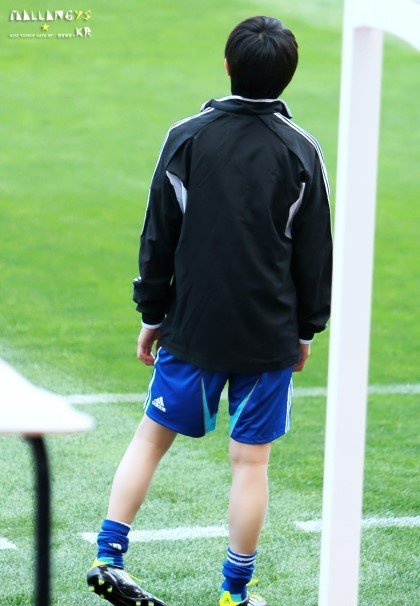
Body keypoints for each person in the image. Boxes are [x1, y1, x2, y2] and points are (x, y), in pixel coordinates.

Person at [87, 15, 332, 606]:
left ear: (227, 65)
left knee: (151, 438)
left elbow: (158, 235)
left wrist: (152, 314)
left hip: (193, 325)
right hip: (267, 331)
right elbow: (315, 254)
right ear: (289, 75)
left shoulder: (187, 136)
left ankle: (109, 558)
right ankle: (234, 595)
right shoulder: (302, 151)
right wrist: (306, 330)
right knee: (250, 464)